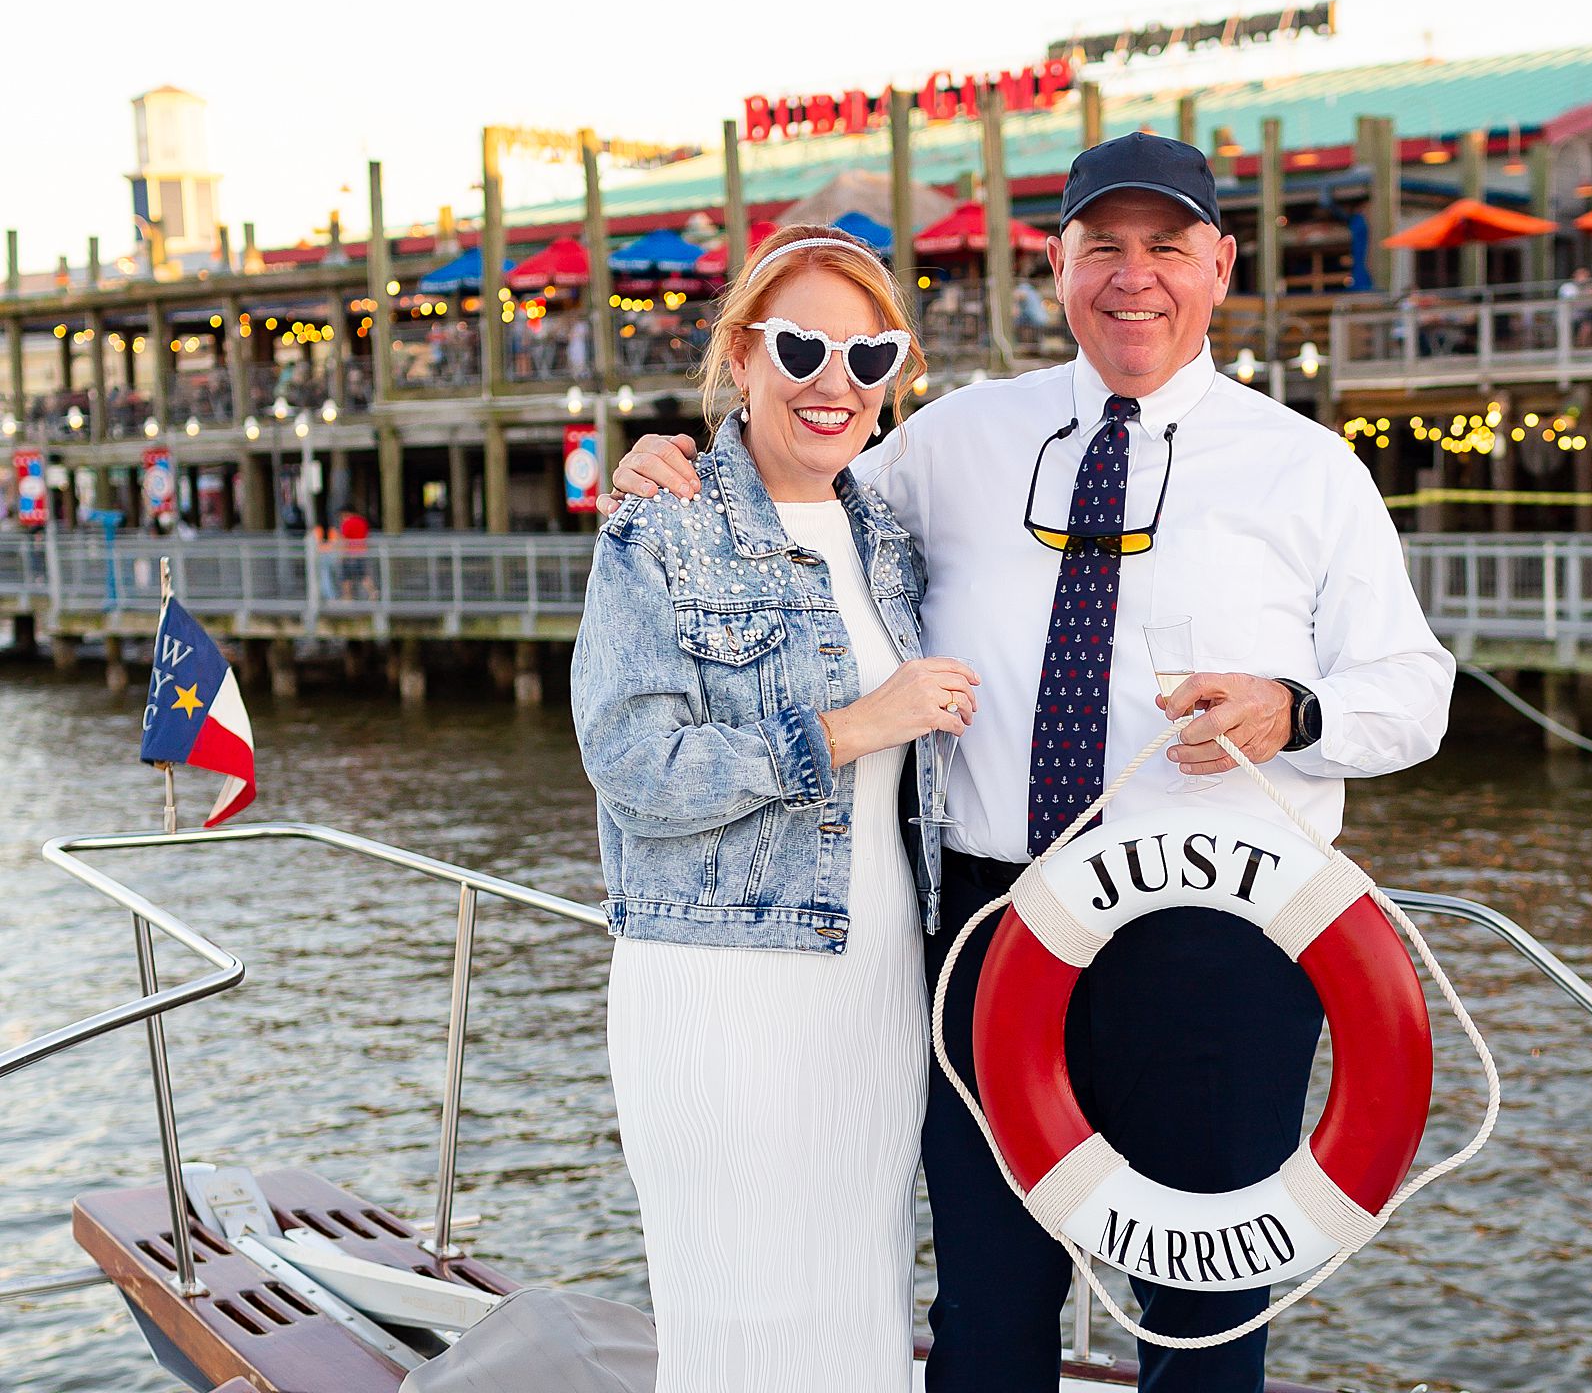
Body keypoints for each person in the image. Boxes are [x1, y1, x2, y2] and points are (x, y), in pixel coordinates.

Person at [609, 137, 1454, 1392]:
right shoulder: (955, 438)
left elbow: (1416, 693)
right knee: (989, 1311)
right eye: (1100, 247)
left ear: (1217, 264)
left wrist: (1291, 707)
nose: (1133, 278)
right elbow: (797, 477)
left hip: (1213, 940)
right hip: (993, 922)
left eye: (1165, 247)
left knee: (1205, 1324)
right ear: (1053, 265)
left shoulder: (1307, 470)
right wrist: (672, 463)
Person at [571, 225, 980, 1393]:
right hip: (721, 983)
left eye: (870, 355)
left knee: (858, 1303)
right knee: (737, 1318)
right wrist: (857, 725)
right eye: (801, 346)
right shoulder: (662, 527)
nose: (832, 382)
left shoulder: (887, 535)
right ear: (741, 353)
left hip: (874, 980)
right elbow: (633, 768)